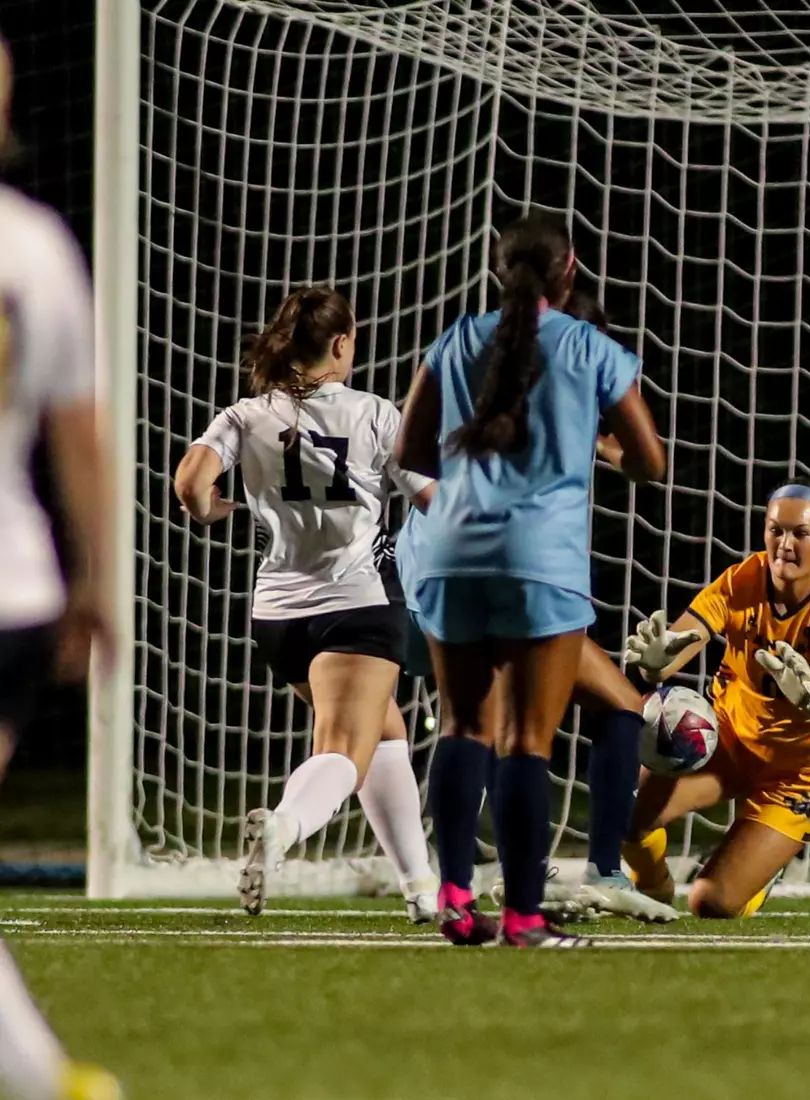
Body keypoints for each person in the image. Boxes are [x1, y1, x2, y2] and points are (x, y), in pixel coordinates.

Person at [395, 215, 666, 948]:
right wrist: (595, 448)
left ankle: (453, 898)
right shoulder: (588, 346)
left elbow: (409, 449)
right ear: (568, 272)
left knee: (461, 726)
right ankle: (522, 917)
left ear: (497, 271)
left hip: (450, 549)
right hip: (538, 559)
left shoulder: (454, 339)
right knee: (525, 740)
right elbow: (651, 461)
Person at [173, 287, 439, 921]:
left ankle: (422, 891)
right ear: (341, 344)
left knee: (384, 733)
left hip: (278, 615)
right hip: (357, 604)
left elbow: (189, 484)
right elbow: (434, 499)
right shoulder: (375, 413)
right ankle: (284, 827)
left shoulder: (246, 414)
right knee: (345, 748)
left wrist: (214, 510)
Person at [0, 34, 127, 1100]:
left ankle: (46, 1079)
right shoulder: (35, 245)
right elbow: (80, 438)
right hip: (19, 588)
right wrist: (96, 583)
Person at [622, 476, 810, 918]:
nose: (784, 544)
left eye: (800, 533)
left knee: (710, 903)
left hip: (800, 770)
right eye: (774, 530)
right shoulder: (743, 579)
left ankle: (761, 872)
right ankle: (651, 887)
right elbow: (673, 652)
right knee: (625, 820)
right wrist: (652, 663)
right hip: (729, 741)